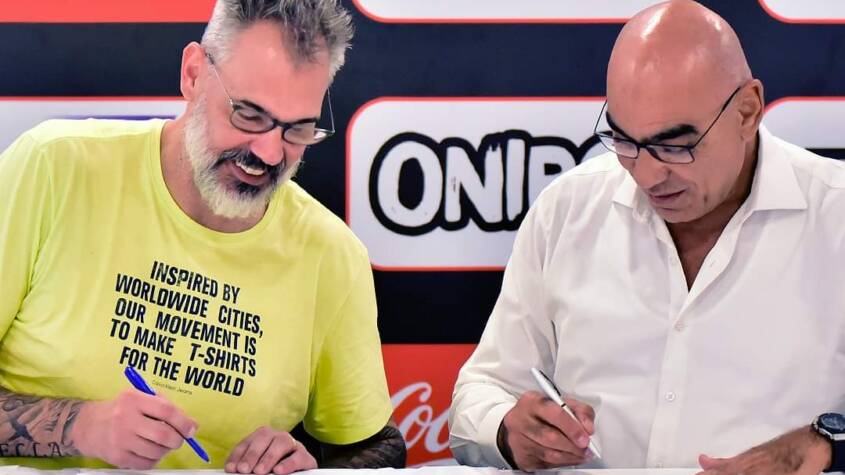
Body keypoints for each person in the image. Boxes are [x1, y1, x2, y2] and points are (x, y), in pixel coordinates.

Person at [0, 0, 406, 472]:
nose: (269, 153)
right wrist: (78, 427)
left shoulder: (331, 253)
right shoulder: (53, 166)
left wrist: (309, 467)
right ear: (193, 74)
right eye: (248, 115)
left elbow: (377, 447)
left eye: (297, 130)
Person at [448, 1, 845, 474]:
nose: (647, 174)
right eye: (624, 140)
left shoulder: (836, 217)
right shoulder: (568, 210)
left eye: (674, 145)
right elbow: (482, 391)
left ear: (747, 111)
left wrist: (829, 441)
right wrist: (508, 430)